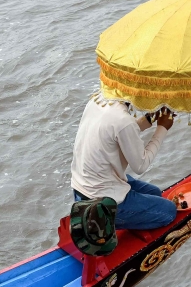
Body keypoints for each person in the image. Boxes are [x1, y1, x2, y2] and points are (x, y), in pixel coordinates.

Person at [70, 98, 178, 230]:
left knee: (154, 192)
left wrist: (148, 119)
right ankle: (103, 224)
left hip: (84, 189)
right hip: (101, 203)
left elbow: (120, 132)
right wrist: (163, 128)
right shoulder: (123, 120)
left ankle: (130, 216)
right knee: (169, 212)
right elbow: (141, 165)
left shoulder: (96, 101)